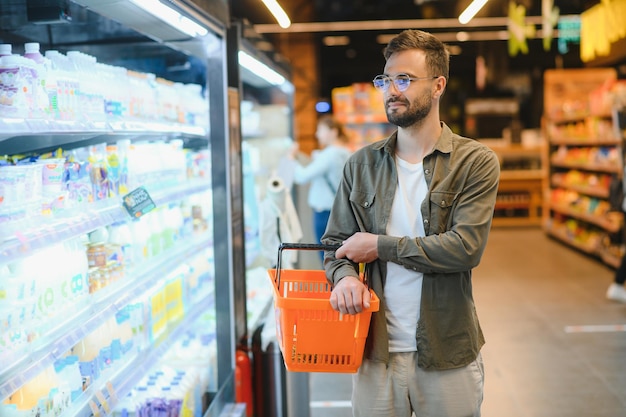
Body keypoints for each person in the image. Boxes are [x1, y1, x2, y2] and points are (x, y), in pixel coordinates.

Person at [321, 29, 500, 417]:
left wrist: (379, 246)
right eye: (385, 80)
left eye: (404, 79)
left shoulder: (474, 162)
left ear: (438, 86)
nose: (391, 90)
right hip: (374, 352)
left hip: (447, 351)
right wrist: (345, 276)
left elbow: (465, 249)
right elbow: (335, 246)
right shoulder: (361, 165)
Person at [290, 115, 352, 254]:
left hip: (324, 212)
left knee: (325, 255)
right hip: (338, 211)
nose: (317, 134)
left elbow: (302, 177)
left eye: (320, 130)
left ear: (333, 132)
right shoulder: (346, 152)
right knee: (335, 254)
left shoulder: (330, 155)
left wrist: (291, 159)